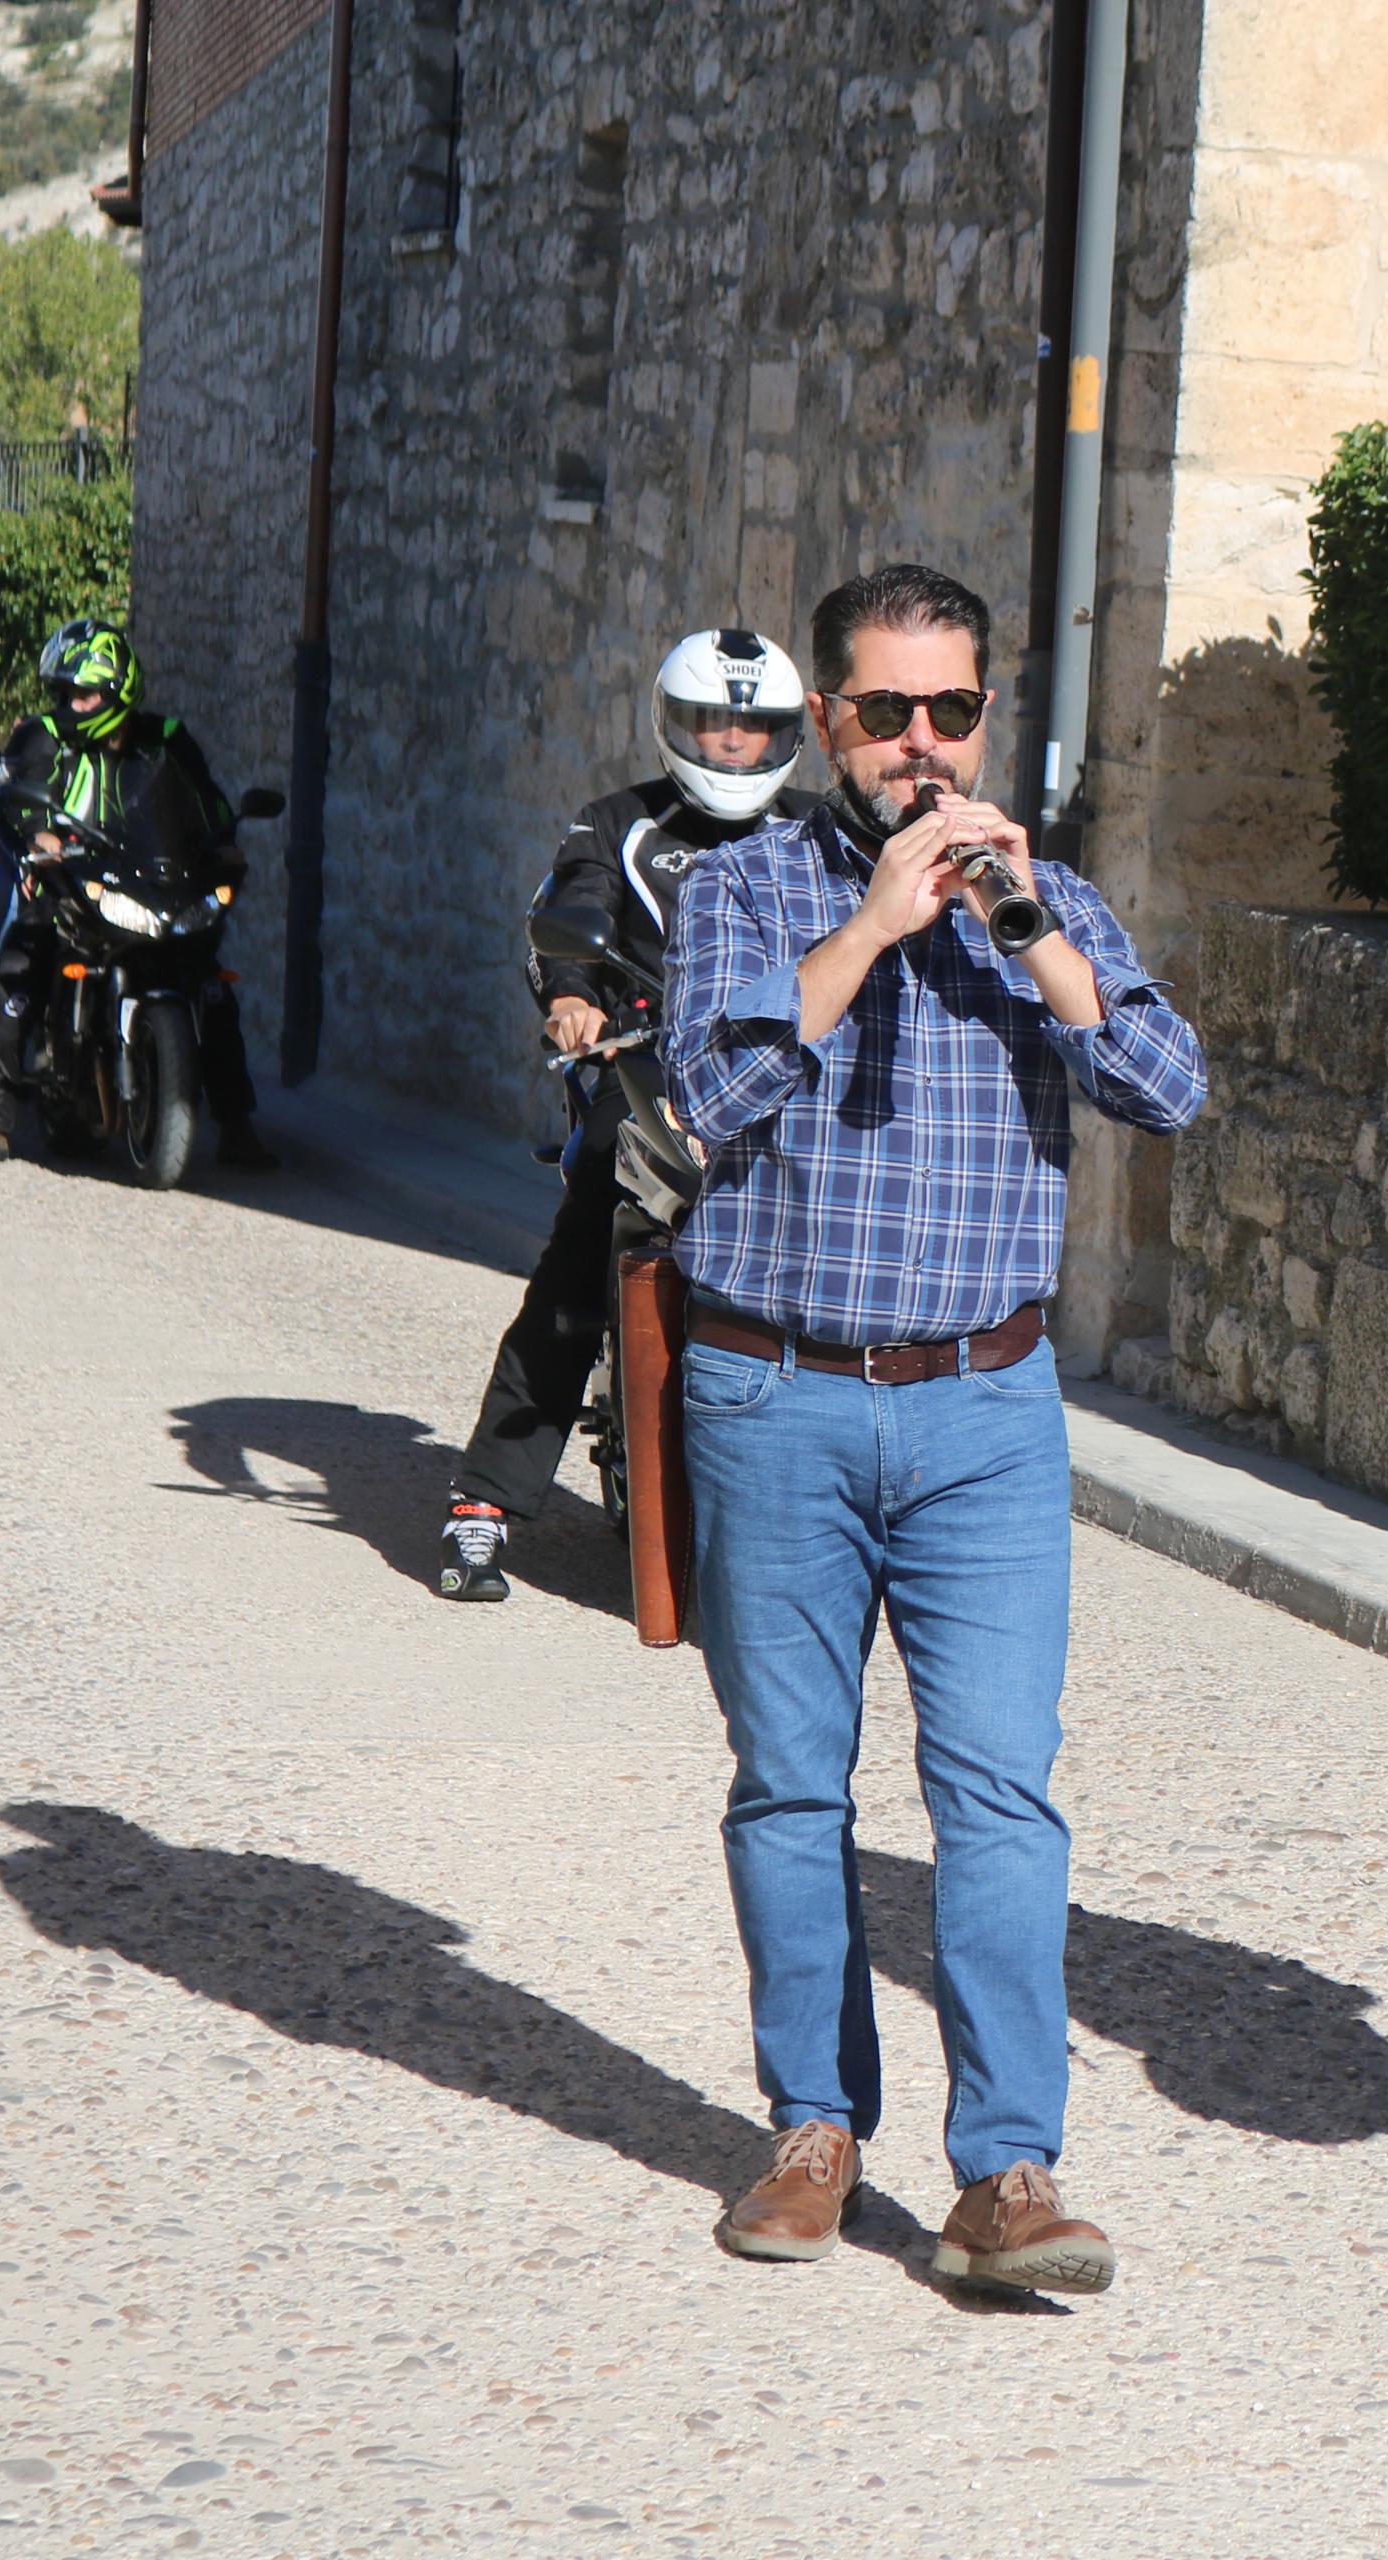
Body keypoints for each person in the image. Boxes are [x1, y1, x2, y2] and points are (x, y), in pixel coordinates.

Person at [661, 562, 1204, 2291]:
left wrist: (1023, 930)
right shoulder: (742, 887)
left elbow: (1165, 1089)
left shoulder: (1046, 903)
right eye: (884, 714)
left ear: (989, 716)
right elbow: (710, 1091)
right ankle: (815, 2131)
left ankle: (1009, 2175)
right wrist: (876, 926)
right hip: (776, 1395)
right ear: (826, 720)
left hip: (983, 1406)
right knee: (790, 1786)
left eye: (949, 714)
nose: (918, 747)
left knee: (995, 1795)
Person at [434, 628, 821, 1603]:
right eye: (712, 725)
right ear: (673, 726)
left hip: (793, 1079)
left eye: (754, 727)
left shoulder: (823, 831)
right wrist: (572, 995)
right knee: (583, 1242)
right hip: (645, 1067)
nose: (733, 745)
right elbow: (567, 912)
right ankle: (485, 1498)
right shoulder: (618, 822)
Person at [0, 617, 276, 1171]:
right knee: (18, 973)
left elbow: (204, 803)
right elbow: (13, 799)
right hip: (69, 882)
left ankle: (236, 1125)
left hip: (149, 885)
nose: (73, 705)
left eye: (85, 694)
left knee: (211, 989)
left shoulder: (167, 740)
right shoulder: (41, 736)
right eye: (65, 694)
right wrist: (38, 836)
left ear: (119, 689)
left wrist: (224, 840)